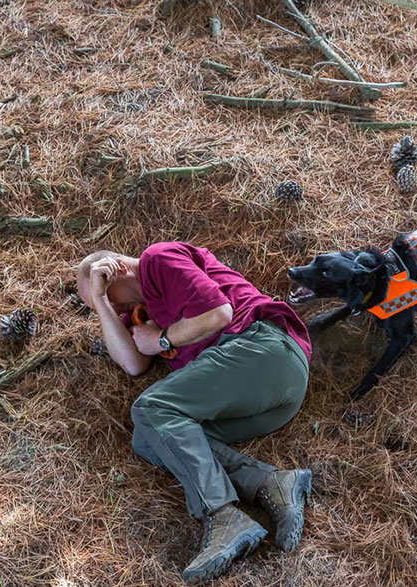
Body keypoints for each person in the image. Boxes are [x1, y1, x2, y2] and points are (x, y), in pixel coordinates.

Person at [76, 242, 313, 584]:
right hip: (266, 400)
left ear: (117, 269)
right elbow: (132, 364)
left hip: (265, 350)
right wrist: (101, 302)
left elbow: (220, 313)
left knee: (151, 407)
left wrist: (161, 339)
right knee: (149, 440)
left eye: (108, 295)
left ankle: (221, 515)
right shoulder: (140, 311)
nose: (114, 308)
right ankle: (272, 483)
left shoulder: (158, 261)